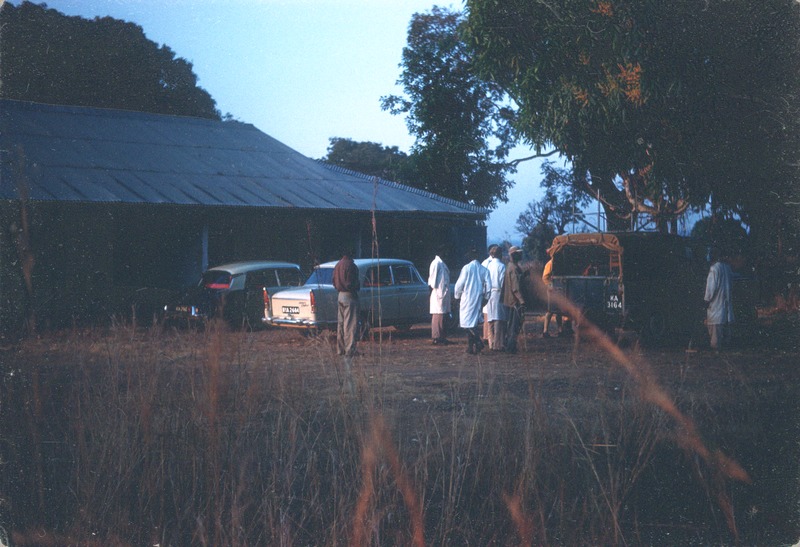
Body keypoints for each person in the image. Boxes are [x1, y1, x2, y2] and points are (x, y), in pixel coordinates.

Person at [454, 248, 491, 354]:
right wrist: (486, 299)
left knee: (466, 324)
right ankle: (471, 347)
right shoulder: (484, 270)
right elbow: (489, 287)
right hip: (478, 299)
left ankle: (478, 341)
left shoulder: (466, 268)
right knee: (473, 323)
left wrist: (457, 297)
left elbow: (459, 285)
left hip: (467, 298)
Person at [704, 249, 735, 351]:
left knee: (715, 345)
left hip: (716, 313)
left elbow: (710, 290)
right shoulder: (727, 268)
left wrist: (706, 301)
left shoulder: (714, 269)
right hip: (726, 313)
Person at [332, 250, 361, 357]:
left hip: (340, 295)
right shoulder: (351, 266)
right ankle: (350, 350)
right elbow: (352, 283)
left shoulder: (337, 265)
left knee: (340, 323)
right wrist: (356, 286)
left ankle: (340, 349)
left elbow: (333, 281)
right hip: (350, 295)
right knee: (350, 324)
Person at [502, 246, 527, 353]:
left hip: (511, 301)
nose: (521, 255)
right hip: (515, 302)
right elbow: (515, 288)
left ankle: (509, 346)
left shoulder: (511, 266)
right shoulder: (514, 268)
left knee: (512, 324)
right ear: (514, 255)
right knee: (514, 325)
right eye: (519, 253)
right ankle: (511, 348)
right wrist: (522, 301)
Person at [483, 245, 506, 350]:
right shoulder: (501, 266)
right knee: (498, 319)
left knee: (490, 319)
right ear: (500, 254)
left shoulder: (488, 265)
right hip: (498, 292)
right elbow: (502, 282)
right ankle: (498, 344)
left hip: (488, 293)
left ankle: (491, 343)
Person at [428, 250, 452, 345]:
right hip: (438, 293)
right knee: (438, 316)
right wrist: (438, 291)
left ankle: (442, 337)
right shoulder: (436, 263)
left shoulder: (442, 263)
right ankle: (436, 337)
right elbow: (432, 281)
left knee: (443, 316)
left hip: (443, 293)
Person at [542, 256, 563, 337]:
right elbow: (544, 277)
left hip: (559, 289)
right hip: (552, 290)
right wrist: (550, 286)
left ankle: (560, 330)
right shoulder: (550, 264)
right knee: (550, 310)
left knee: (559, 310)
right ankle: (545, 331)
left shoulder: (557, 263)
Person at [481, 244, 499, 343]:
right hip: (489, 292)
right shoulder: (485, 263)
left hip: (492, 292)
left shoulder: (488, 263)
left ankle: (491, 338)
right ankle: (487, 337)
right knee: (488, 316)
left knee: (492, 316)